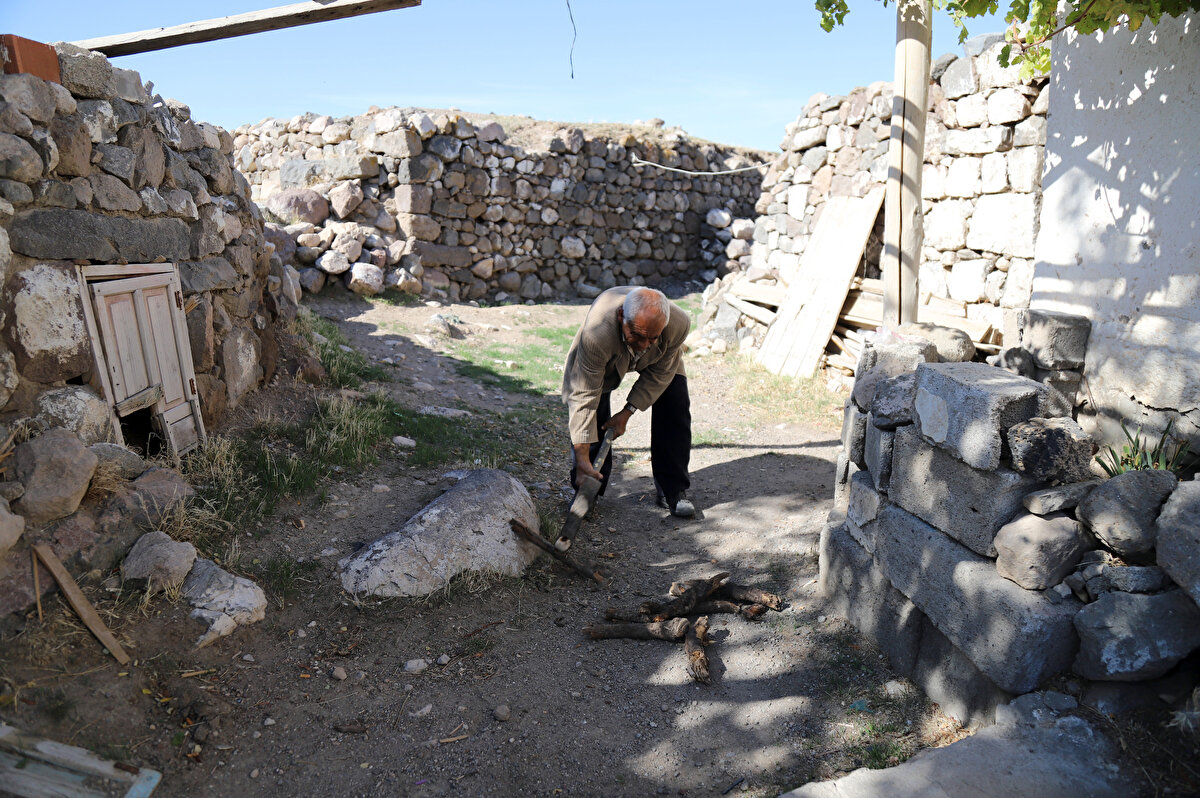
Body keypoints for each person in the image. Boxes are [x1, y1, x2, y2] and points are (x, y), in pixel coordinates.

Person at [561, 285, 696, 517]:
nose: (643, 345)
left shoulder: (677, 325)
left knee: (675, 407)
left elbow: (660, 375)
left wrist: (627, 412)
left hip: (659, 360)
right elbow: (584, 396)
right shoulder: (597, 332)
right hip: (607, 351)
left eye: (652, 338)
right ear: (621, 316)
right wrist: (582, 456)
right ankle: (587, 487)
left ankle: (672, 490)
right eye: (637, 335)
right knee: (595, 413)